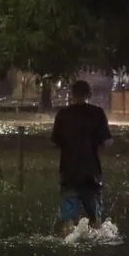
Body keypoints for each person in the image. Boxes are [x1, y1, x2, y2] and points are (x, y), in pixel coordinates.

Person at [51, 79, 112, 236]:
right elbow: (108, 142)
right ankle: (95, 247)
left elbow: (55, 142)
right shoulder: (97, 113)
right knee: (95, 219)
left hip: (69, 172)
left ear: (72, 95)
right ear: (89, 94)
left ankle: (67, 246)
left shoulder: (63, 115)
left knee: (67, 220)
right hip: (91, 172)